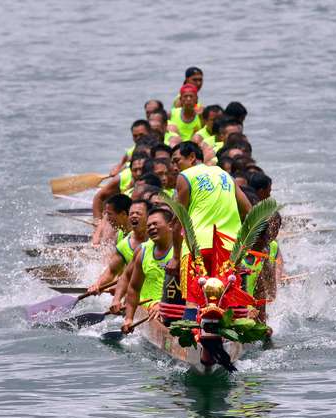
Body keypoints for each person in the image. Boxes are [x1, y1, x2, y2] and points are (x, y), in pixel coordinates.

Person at [167, 142, 252, 307]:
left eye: (177, 161)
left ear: (192, 157)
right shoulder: (226, 175)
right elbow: (248, 210)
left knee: (194, 301)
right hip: (230, 247)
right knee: (225, 302)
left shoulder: (185, 176)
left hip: (197, 246)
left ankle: (192, 320)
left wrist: (176, 257)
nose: (174, 167)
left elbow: (178, 222)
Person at [122, 207, 174, 333]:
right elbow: (133, 288)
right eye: (149, 226)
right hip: (148, 307)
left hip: (172, 306)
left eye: (155, 224)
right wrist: (129, 319)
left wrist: (162, 304)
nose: (151, 228)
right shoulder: (143, 252)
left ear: (171, 225)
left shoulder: (183, 252)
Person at [92, 152, 149, 222]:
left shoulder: (156, 176)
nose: (139, 173)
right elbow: (99, 197)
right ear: (130, 170)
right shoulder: (122, 177)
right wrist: (98, 220)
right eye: (135, 170)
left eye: (142, 169)